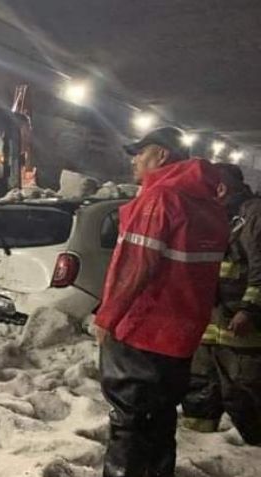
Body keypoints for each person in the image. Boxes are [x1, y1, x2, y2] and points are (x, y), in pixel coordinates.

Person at [94, 127, 230, 477]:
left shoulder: (160, 198)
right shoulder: (208, 205)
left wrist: (107, 318)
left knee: (129, 424)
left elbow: (134, 266)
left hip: (142, 331)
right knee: (160, 420)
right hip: (181, 337)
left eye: (140, 153)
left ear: (162, 155)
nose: (134, 160)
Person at [181, 163, 261, 445]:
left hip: (241, 325)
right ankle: (199, 445)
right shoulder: (216, 215)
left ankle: (253, 452)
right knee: (200, 386)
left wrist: (249, 309)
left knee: (244, 391)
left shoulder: (253, 215)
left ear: (221, 188)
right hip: (210, 321)